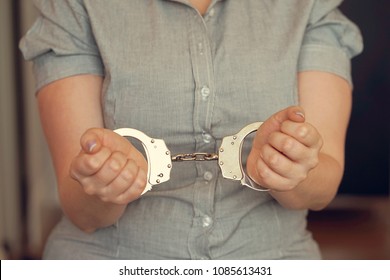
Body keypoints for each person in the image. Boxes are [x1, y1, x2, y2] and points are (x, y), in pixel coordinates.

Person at [20, 0, 363, 259]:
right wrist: (106, 183)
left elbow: (322, 186)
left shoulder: (307, 7)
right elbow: (82, 212)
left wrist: (288, 169)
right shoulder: (77, 7)